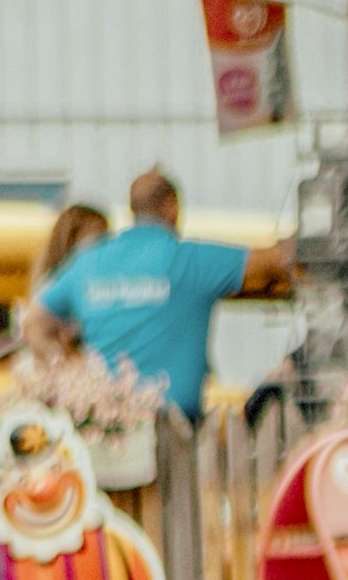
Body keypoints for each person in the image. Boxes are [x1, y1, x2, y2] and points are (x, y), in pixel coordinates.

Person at [23, 171, 243, 417]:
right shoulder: (76, 276)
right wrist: (71, 375)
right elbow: (35, 324)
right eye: (97, 241)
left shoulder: (84, 272)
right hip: (97, 411)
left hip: (118, 410)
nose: (105, 249)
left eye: (105, 239)